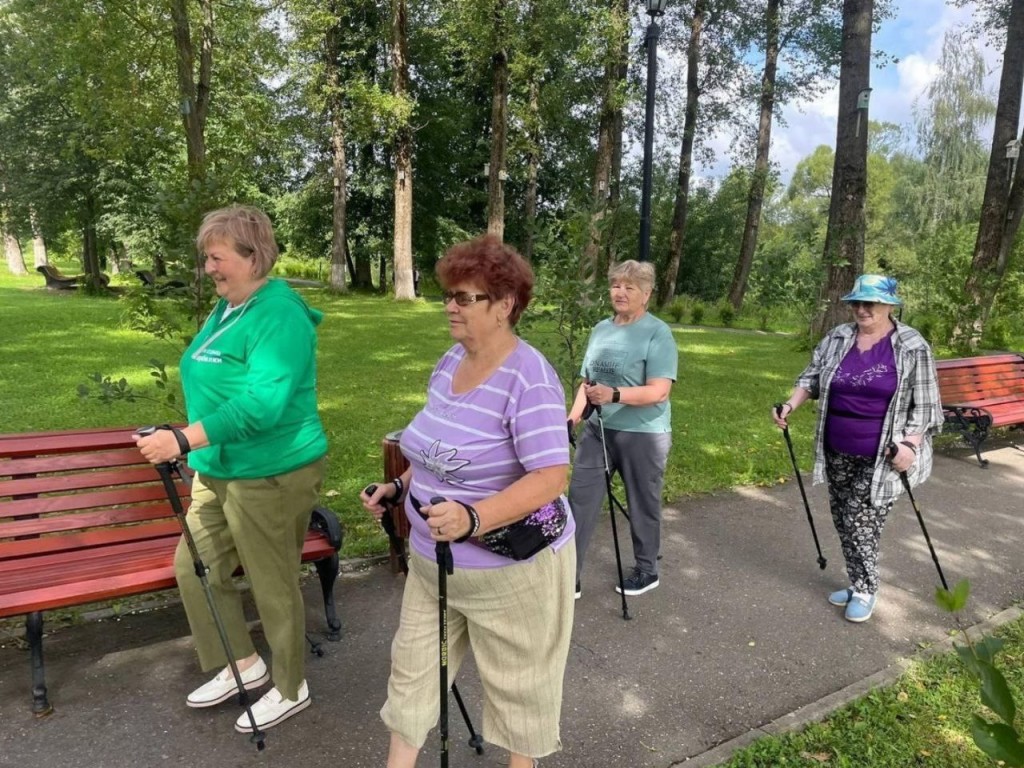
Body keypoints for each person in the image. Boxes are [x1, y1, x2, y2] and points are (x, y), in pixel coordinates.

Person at [361, 234, 575, 768]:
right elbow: (433, 450)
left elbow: (552, 476)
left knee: (519, 691)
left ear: (505, 306)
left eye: (465, 297)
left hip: (510, 572)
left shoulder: (530, 380)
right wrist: (400, 487)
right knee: (411, 674)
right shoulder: (450, 360)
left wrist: (474, 516)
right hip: (433, 565)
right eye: (448, 296)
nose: (450, 307)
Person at [135, 205, 328, 731]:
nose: (209, 268)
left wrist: (183, 438)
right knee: (195, 567)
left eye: (217, 258)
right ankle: (244, 663)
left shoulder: (279, 314)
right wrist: (192, 442)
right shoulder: (228, 308)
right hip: (217, 467)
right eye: (207, 258)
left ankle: (291, 686)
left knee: (272, 582)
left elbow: (264, 403)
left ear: (252, 256)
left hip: (272, 471)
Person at [772, 274, 943, 623]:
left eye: (871, 304)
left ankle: (866, 588)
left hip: (883, 454)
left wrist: (911, 443)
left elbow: (926, 407)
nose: (862, 310)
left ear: (890, 306)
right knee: (842, 517)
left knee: (860, 520)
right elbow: (812, 377)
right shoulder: (839, 337)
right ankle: (857, 581)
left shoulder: (912, 345)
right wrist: (790, 406)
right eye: (857, 303)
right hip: (837, 447)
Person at [568, 260, 678, 598]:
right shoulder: (601, 329)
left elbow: (660, 390)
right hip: (598, 430)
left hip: (643, 434)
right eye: (616, 285)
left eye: (630, 287)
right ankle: (566, 576)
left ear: (646, 294)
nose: (621, 292)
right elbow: (587, 384)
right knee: (580, 501)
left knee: (642, 502)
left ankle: (646, 569)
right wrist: (571, 419)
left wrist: (614, 394)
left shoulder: (657, 333)